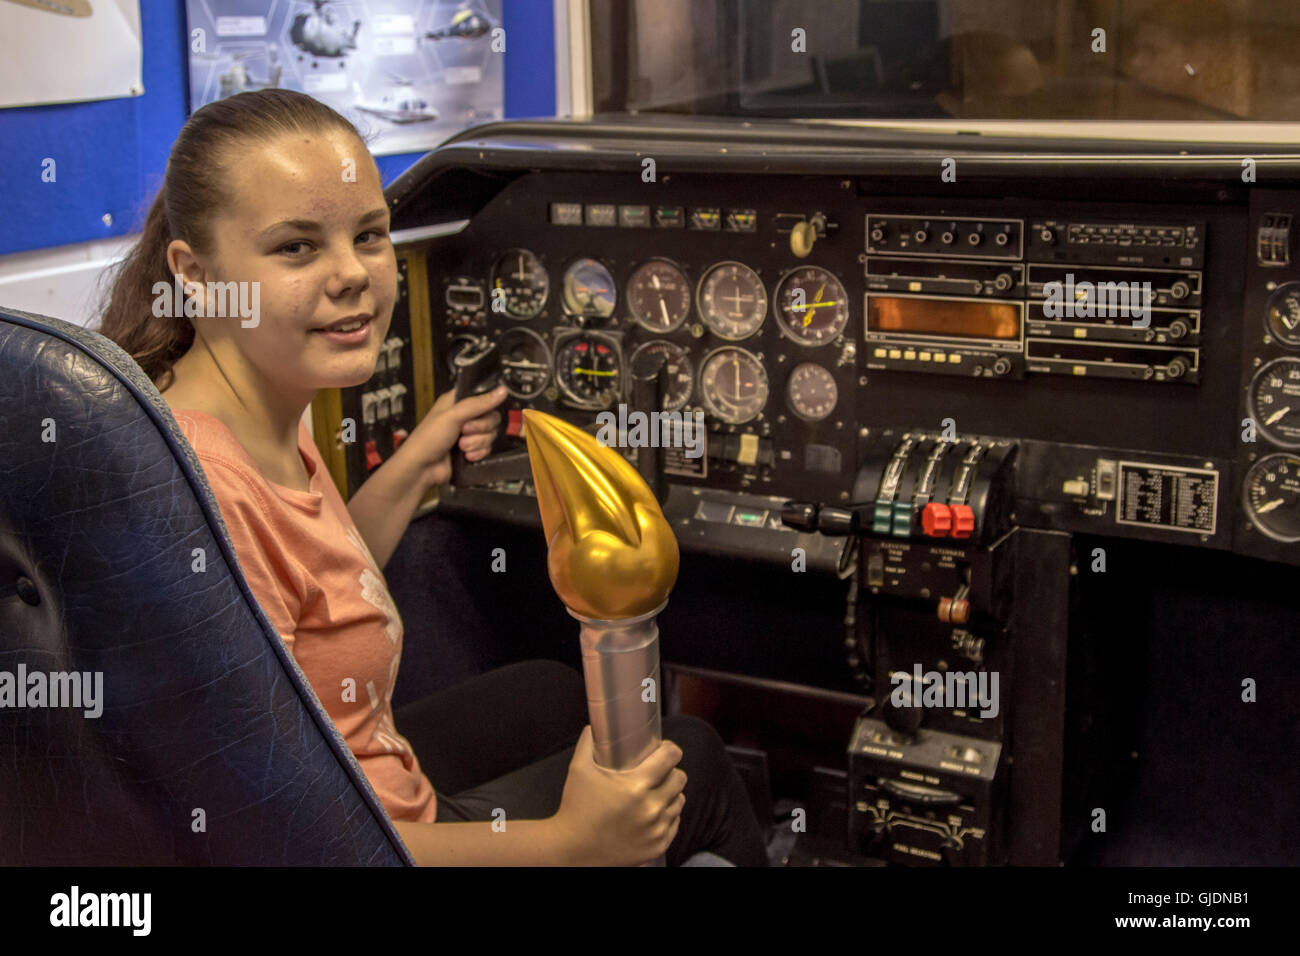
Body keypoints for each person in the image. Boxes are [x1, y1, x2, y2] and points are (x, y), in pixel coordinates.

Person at [96, 88, 768, 867]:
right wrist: (568, 843)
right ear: (196, 273)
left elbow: (317, 580)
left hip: (357, 777)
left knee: (553, 691)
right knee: (693, 757)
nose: (352, 274)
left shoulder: (243, 397)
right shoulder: (200, 496)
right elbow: (270, 842)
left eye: (370, 234)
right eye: (296, 248)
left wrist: (416, 462)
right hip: (350, 839)